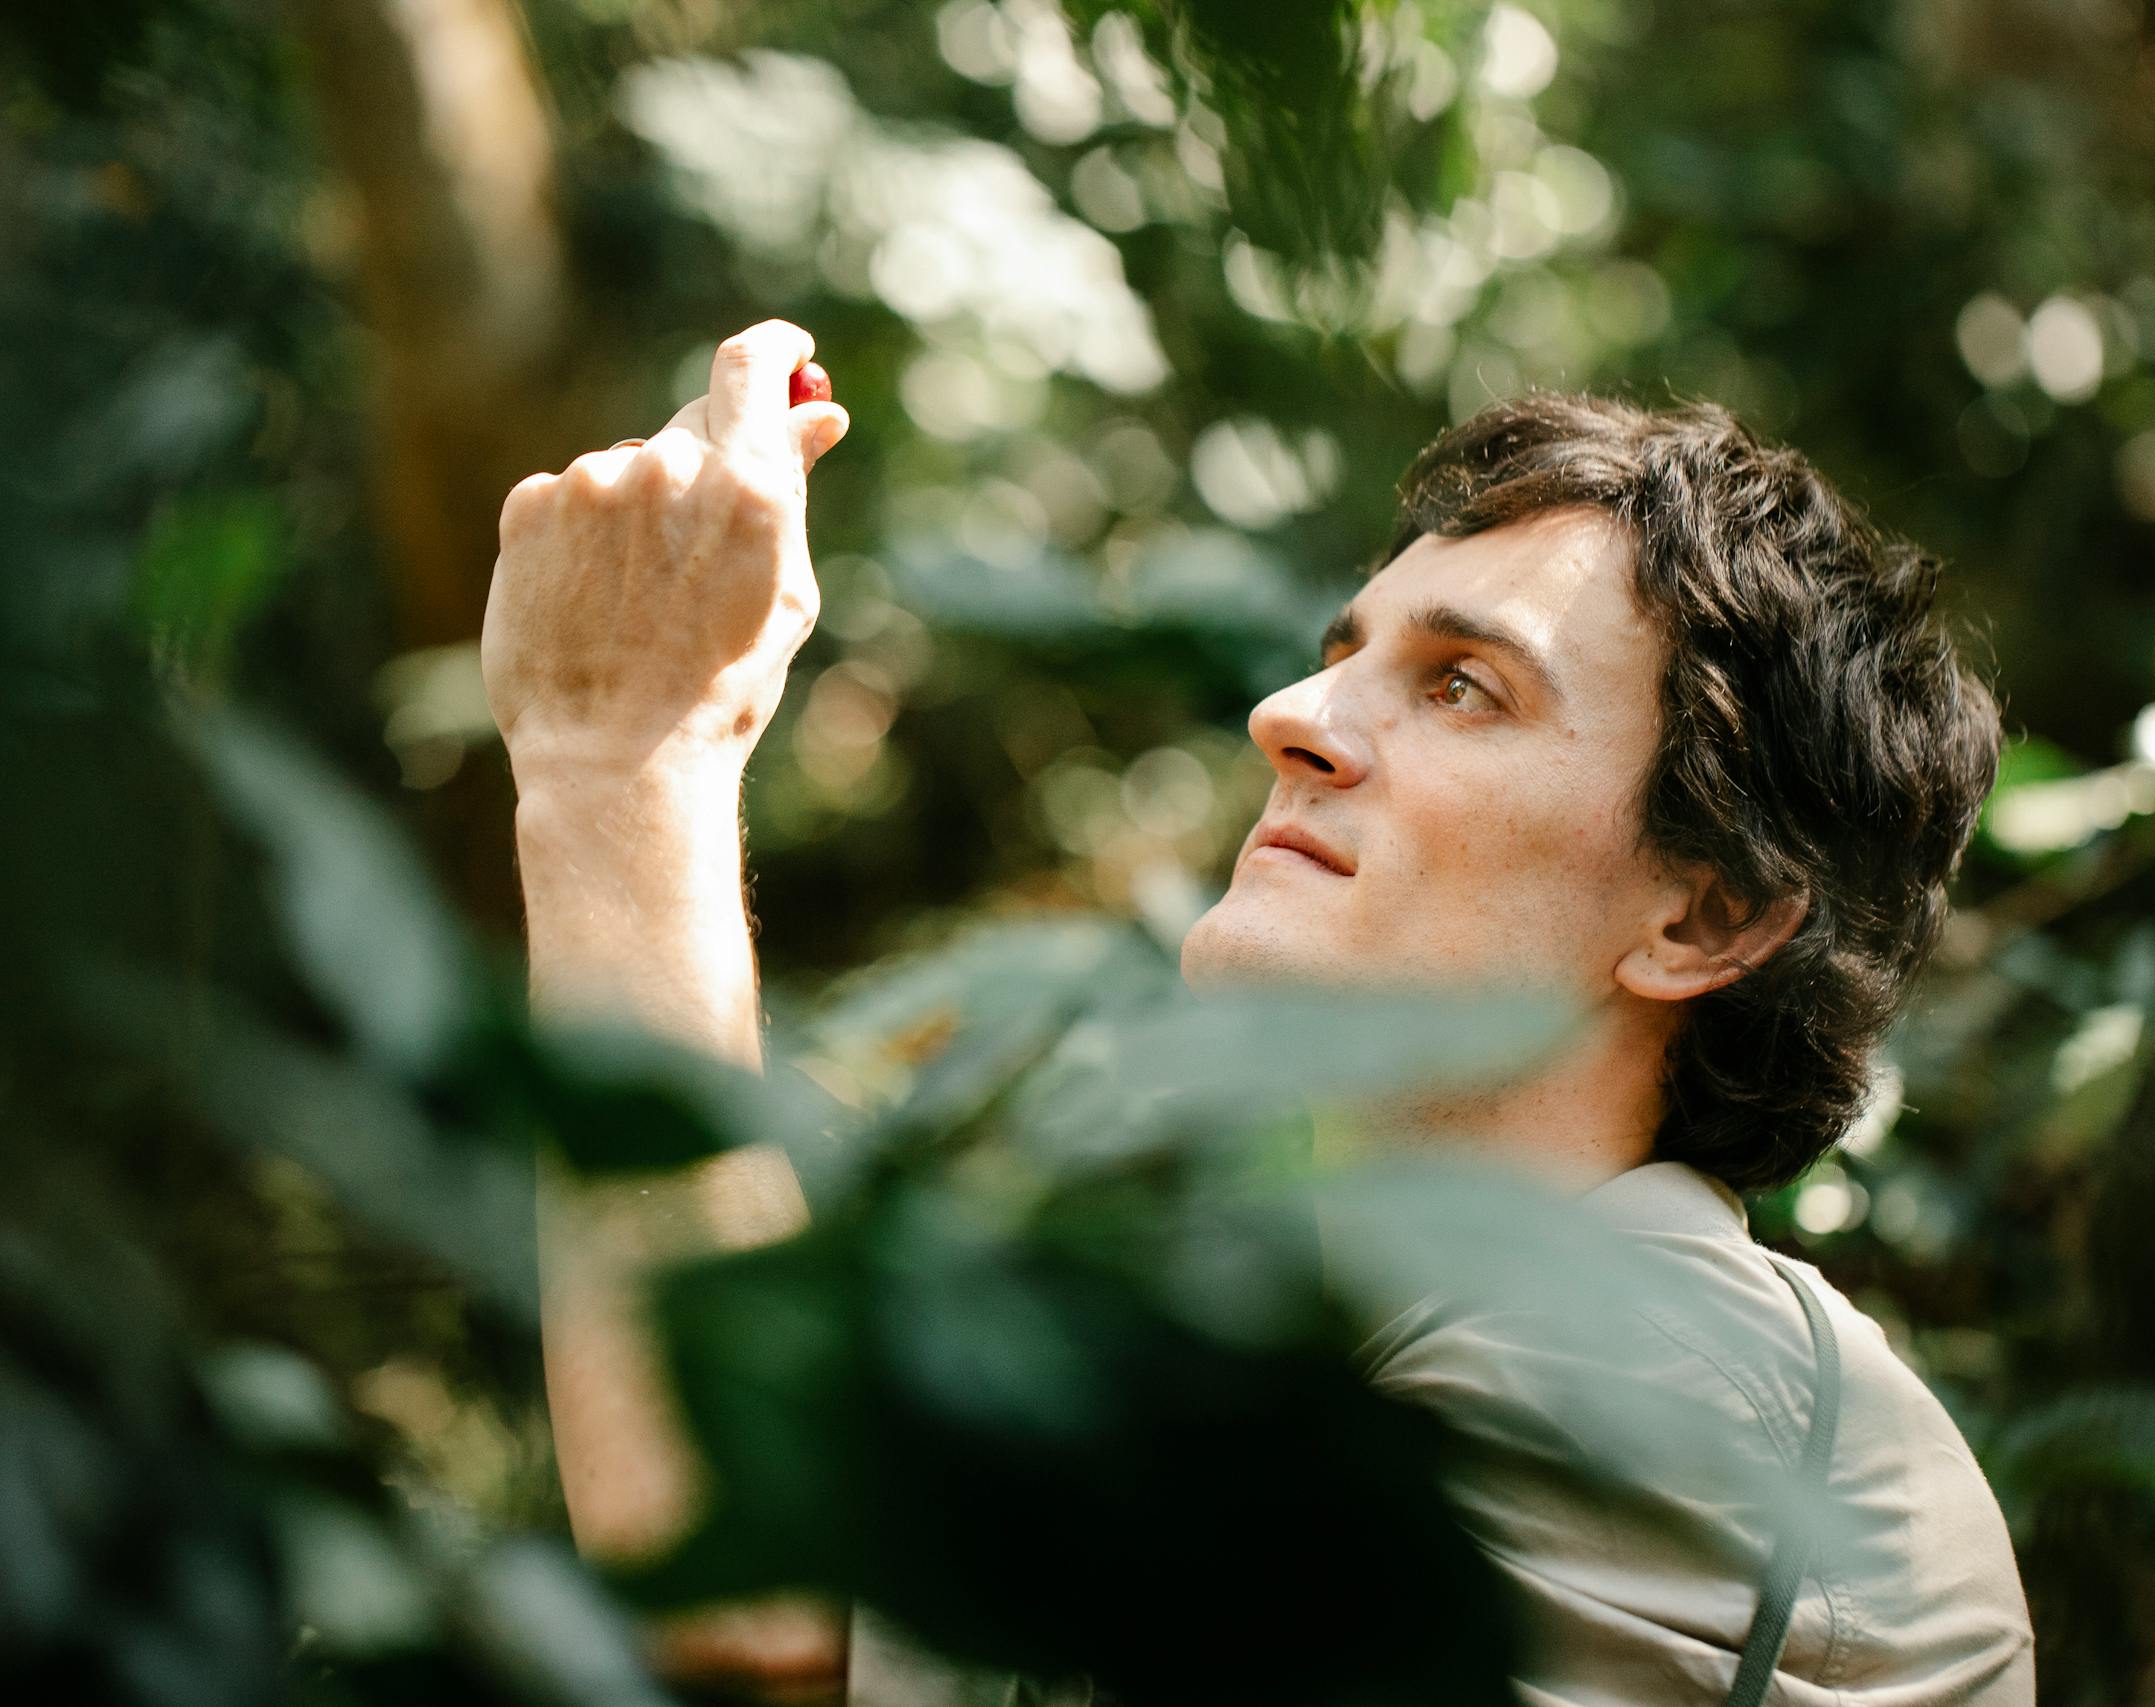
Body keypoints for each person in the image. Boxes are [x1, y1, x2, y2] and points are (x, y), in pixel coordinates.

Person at [487, 319, 2035, 1705]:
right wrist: (619, 764)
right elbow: (780, 1600)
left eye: (1463, 686)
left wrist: (633, 761)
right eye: (1343, 656)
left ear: (1706, 916)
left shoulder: (1672, 1384)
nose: (1291, 718)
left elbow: (765, 1618)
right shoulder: (1299, 1346)